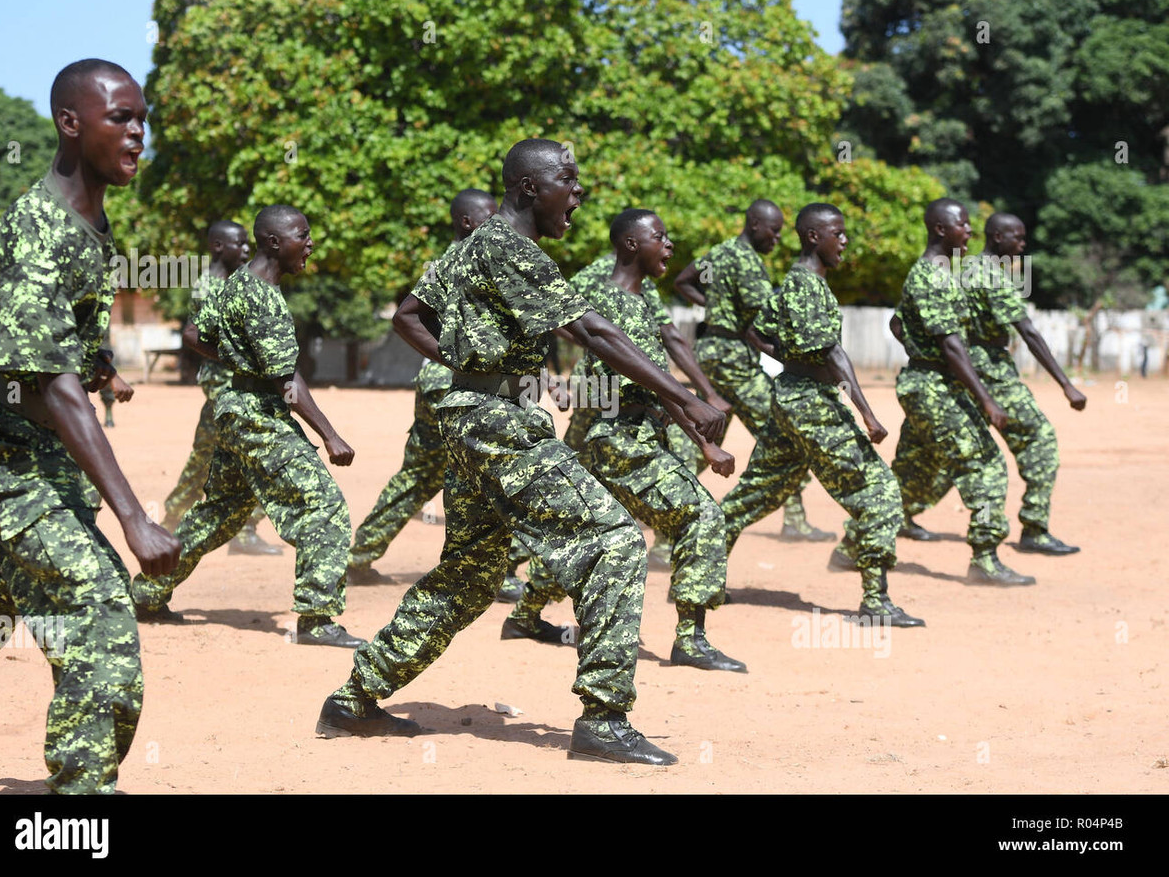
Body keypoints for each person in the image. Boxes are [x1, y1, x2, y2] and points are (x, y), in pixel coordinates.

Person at [316, 139, 727, 765]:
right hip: (496, 422)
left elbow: (407, 315)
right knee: (614, 538)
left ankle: (354, 697)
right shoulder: (509, 246)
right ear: (530, 188)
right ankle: (604, 718)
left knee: (470, 573)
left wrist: (462, 365)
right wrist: (686, 397)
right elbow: (590, 328)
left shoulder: (475, 245)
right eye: (569, 180)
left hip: (474, 414)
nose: (579, 193)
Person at [0, 59, 180, 793]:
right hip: (3, 460)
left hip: (34, 457)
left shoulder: (90, 220)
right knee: (96, 609)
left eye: (142, 119)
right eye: (120, 117)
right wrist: (134, 518)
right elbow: (52, 388)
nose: (137, 133)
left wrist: (103, 367)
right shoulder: (37, 229)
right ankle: (81, 801)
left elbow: (69, 339)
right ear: (70, 123)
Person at [504, 209, 746, 665]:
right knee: (703, 516)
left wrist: (701, 439)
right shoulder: (612, 302)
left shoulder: (635, 301)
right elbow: (651, 385)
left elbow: (655, 384)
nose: (670, 245)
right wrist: (705, 440)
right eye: (660, 236)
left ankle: (524, 613)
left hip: (620, 436)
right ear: (632, 245)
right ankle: (690, 640)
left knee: (589, 532)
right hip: (621, 438)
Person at [131, 205, 366, 647]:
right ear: (275, 242)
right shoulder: (262, 295)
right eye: (303, 235)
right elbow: (285, 381)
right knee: (325, 509)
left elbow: (197, 337)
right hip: (258, 416)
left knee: (219, 514)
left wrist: (239, 363)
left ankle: (146, 593)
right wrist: (329, 435)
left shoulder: (232, 285)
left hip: (232, 409)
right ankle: (317, 618)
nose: (310, 244)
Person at [734, 204, 923, 625]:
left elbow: (755, 331)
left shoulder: (794, 283)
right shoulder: (809, 286)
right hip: (813, 407)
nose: (845, 241)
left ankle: (698, 577)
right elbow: (833, 355)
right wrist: (867, 414)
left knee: (756, 494)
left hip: (789, 399)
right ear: (814, 237)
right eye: (838, 233)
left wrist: (786, 360)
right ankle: (875, 602)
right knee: (880, 494)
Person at [899, 213, 1085, 554]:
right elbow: (1027, 331)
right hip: (989, 372)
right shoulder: (989, 275)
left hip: (948, 372)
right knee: (1037, 440)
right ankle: (1034, 528)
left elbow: (900, 322)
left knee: (933, 455)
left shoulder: (960, 269)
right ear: (998, 238)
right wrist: (1066, 385)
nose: (1023, 245)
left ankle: (893, 515)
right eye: (1018, 238)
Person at [346, 190, 500, 584]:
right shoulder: (469, 260)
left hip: (437, 383)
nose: (499, 223)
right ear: (466, 222)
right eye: (489, 216)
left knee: (419, 476)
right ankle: (484, 571)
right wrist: (454, 360)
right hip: (456, 384)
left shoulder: (448, 263)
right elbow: (408, 318)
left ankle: (359, 556)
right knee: (488, 475)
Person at [889, 199, 1035, 585]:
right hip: (935, 388)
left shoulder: (936, 273)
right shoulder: (934, 276)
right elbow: (953, 346)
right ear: (941, 230)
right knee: (985, 465)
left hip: (928, 385)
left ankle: (854, 545)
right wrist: (986, 399)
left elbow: (896, 323)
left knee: (911, 474)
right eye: (963, 225)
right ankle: (985, 559)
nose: (970, 232)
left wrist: (918, 351)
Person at [672, 200, 833, 544]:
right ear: (755, 224)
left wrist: (716, 306)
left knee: (709, 434)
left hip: (713, 352)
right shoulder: (747, 262)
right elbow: (766, 315)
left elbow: (683, 281)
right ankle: (793, 521)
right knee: (784, 431)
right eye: (774, 231)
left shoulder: (720, 252)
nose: (777, 238)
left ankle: (669, 527)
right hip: (734, 358)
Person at [159, 220, 280, 556]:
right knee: (249, 454)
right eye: (239, 244)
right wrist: (235, 359)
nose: (246, 249)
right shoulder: (209, 286)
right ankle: (241, 532)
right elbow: (195, 336)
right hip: (222, 386)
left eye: (247, 244)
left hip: (232, 385)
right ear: (217, 247)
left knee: (208, 456)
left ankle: (174, 515)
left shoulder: (234, 281)